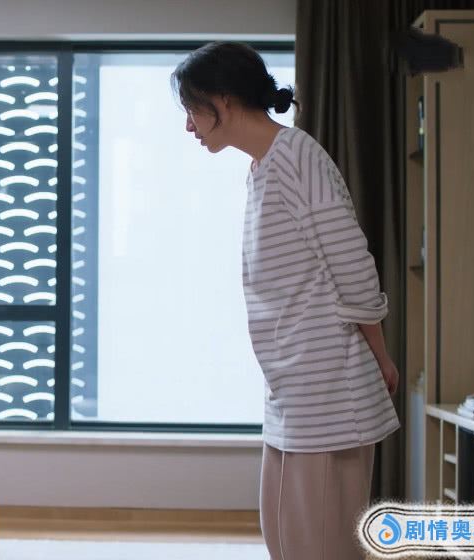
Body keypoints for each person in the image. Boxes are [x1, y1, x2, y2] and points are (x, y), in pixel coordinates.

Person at [172, 42, 400, 560]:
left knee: (321, 545)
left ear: (222, 100)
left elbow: (351, 263)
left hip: (329, 387)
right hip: (292, 388)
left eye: (191, 109)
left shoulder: (298, 155)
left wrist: (380, 354)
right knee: (284, 539)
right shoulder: (262, 167)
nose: (188, 126)